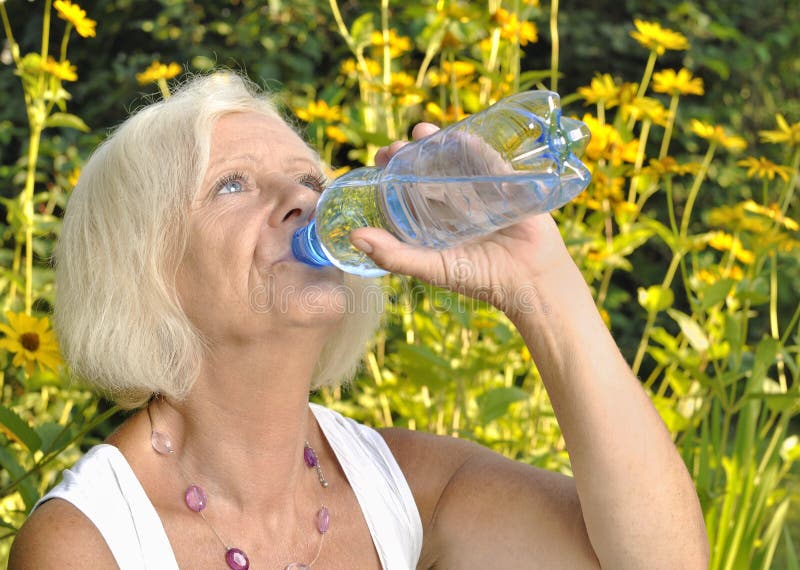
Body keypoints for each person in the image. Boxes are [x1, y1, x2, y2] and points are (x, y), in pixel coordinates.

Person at [8, 72, 708, 569]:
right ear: (143, 265)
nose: (302, 200)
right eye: (232, 184)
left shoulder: (408, 486)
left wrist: (541, 288)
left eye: (311, 180)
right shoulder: (89, 542)